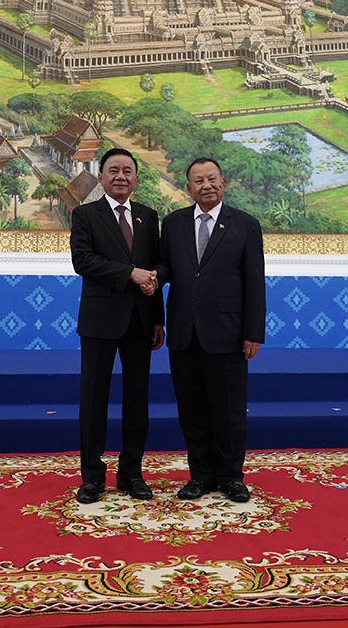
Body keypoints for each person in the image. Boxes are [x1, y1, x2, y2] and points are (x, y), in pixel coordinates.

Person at [157, 157, 265, 503]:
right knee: (192, 411)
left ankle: (231, 477)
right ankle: (200, 476)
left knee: (229, 411)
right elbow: (165, 269)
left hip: (228, 333)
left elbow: (254, 282)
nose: (207, 185)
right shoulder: (173, 224)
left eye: (212, 179)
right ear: (188, 187)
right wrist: (151, 283)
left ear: (223, 183)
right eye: (199, 181)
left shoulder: (245, 225)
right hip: (183, 333)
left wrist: (253, 332)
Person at [70, 147, 165, 504]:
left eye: (127, 170)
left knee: (137, 399)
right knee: (93, 399)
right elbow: (83, 261)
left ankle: (131, 474)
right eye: (113, 170)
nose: (121, 176)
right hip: (99, 321)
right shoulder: (85, 215)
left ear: (136, 178)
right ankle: (92, 477)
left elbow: (156, 267)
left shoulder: (148, 216)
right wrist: (129, 273)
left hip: (140, 321)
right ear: (101, 177)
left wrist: (158, 317)